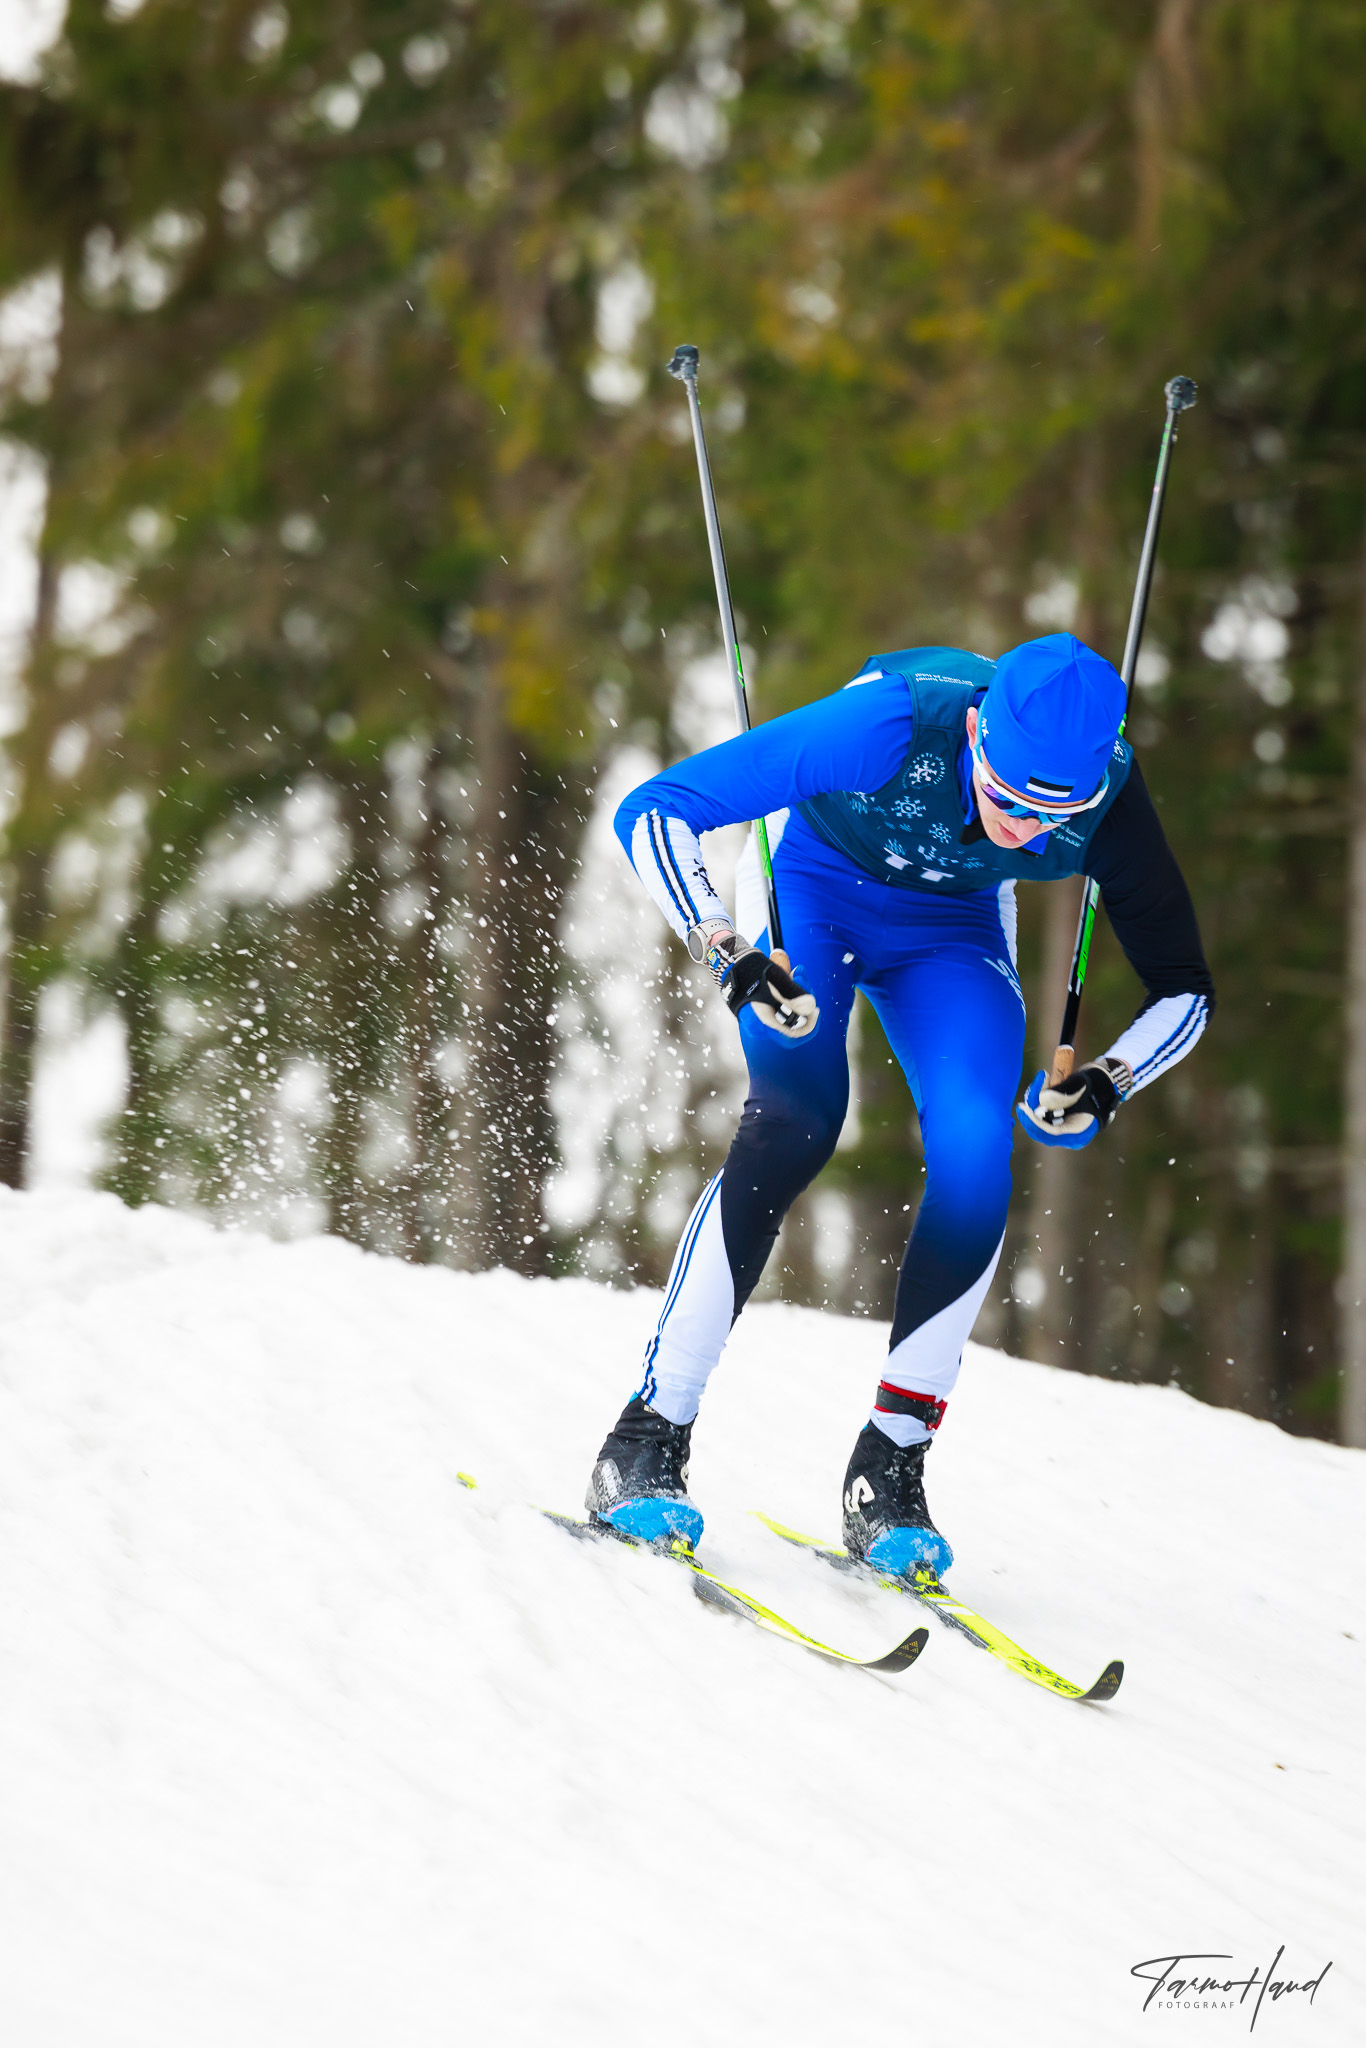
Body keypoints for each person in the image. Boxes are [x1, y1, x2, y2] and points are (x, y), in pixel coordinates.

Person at [584, 632, 1214, 1575]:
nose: (1024, 832)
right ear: (977, 734)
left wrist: (1110, 1079)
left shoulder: (1109, 801)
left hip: (954, 932)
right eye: (1007, 799)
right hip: (818, 887)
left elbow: (1186, 988)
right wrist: (726, 948)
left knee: (975, 1152)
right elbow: (657, 808)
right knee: (797, 1120)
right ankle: (646, 1438)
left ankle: (890, 1469)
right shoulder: (893, 723)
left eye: (1056, 816)